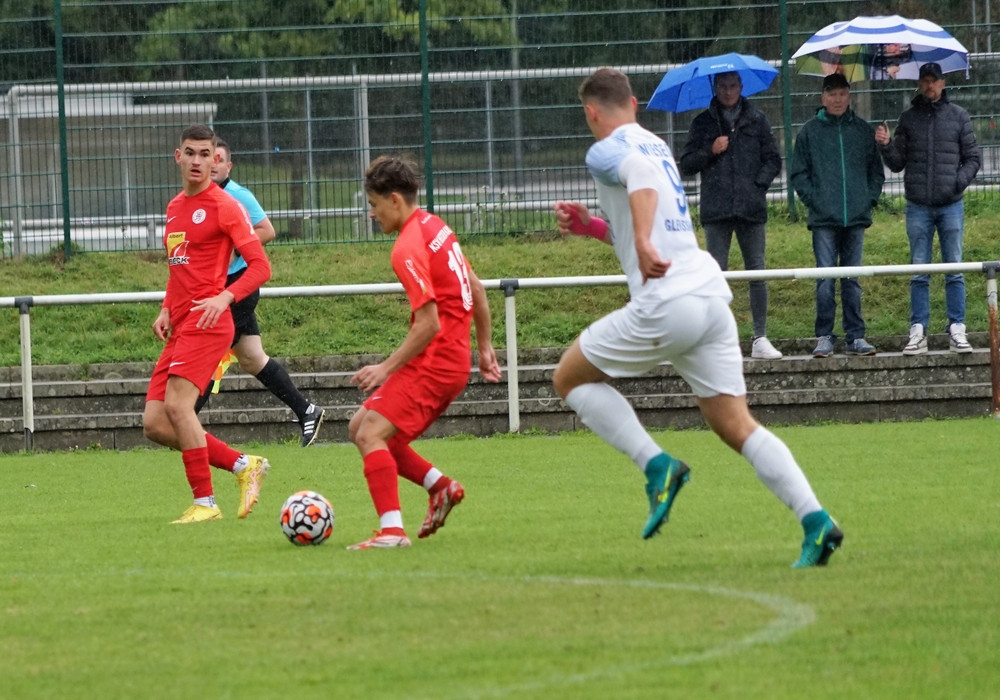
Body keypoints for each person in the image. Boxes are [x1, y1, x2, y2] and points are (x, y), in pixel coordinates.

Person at [553, 68, 842, 568]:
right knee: (735, 424)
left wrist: (641, 242)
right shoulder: (658, 146)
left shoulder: (605, 150)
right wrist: (595, 226)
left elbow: (641, 186)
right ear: (635, 104)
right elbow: (649, 210)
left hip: (668, 302)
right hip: (708, 296)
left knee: (568, 378)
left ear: (591, 112)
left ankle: (656, 465)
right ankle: (816, 520)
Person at [346, 155, 502, 550]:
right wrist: (484, 348)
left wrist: (385, 367)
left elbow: (429, 323)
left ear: (394, 200)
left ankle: (392, 531)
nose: (372, 214)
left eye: (374, 205)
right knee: (359, 426)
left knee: (370, 433)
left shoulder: (406, 247)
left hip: (435, 363)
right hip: (448, 359)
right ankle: (441, 487)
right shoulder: (436, 226)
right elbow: (477, 289)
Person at [142, 124, 273, 524]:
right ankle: (243, 465)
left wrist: (224, 296)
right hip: (181, 323)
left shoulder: (225, 206)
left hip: (208, 322)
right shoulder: (173, 207)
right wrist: (166, 308)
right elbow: (179, 266)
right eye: (190, 153)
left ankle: (206, 503)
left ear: (216, 159)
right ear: (177, 157)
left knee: (178, 407)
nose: (197, 161)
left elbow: (260, 267)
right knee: (155, 424)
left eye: (205, 154)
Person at [193, 137, 326, 447]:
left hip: (238, 286)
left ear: (228, 165)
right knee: (252, 358)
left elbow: (267, 229)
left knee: (209, 351)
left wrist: (235, 249)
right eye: (210, 158)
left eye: (219, 159)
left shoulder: (238, 195)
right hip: (219, 287)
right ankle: (307, 410)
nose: (213, 164)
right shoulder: (202, 198)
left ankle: (183, 420)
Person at [875, 62, 981, 355]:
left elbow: (973, 158)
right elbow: (897, 163)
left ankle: (957, 328)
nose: (929, 85)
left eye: (934, 80)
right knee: (919, 271)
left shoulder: (959, 116)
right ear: (919, 84)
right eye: (925, 81)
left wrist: (956, 183)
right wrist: (886, 144)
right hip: (918, 206)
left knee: (954, 269)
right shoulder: (908, 119)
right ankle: (918, 330)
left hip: (951, 205)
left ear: (943, 83)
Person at [679, 71, 783, 360]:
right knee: (716, 275)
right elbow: (686, 164)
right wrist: (710, 150)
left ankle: (760, 337)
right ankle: (718, 340)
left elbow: (773, 159)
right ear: (715, 87)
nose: (728, 91)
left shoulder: (758, 120)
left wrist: (758, 185)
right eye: (723, 86)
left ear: (741, 87)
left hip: (751, 209)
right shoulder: (702, 123)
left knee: (757, 272)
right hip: (717, 210)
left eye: (733, 86)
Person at [789, 73, 885, 358]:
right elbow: (798, 173)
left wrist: (867, 199)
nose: (838, 99)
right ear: (823, 98)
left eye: (842, 94)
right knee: (825, 280)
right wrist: (815, 201)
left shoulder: (863, 130)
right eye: (832, 94)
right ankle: (824, 336)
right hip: (823, 220)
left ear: (849, 96)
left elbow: (876, 172)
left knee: (852, 279)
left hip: (855, 218)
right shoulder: (809, 132)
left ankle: (856, 336)